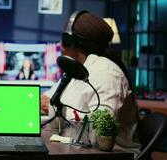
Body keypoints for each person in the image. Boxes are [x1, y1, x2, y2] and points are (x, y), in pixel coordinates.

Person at [41, 11, 140, 148]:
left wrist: (55, 109)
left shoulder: (107, 74)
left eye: (63, 38)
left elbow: (99, 131)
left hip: (111, 156)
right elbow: (48, 100)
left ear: (69, 41)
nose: (59, 43)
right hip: (74, 149)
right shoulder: (74, 70)